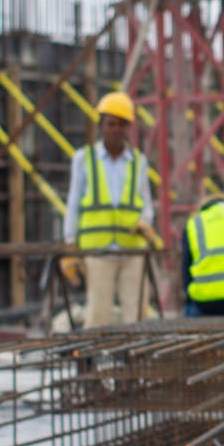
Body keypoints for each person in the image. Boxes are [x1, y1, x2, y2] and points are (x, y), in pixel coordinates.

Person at [61, 91, 159, 328]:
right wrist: (71, 244)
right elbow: (73, 202)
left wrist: (145, 222)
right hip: (98, 250)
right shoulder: (84, 159)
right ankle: (92, 363)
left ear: (128, 128)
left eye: (121, 125)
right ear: (101, 126)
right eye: (111, 124)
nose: (116, 130)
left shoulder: (138, 162)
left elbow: (145, 202)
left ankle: (137, 361)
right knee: (98, 314)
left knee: (136, 315)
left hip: (132, 249)